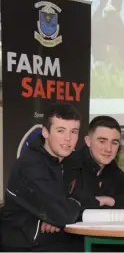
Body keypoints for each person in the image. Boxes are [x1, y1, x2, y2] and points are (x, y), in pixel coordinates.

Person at [1, 102, 84, 252]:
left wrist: (58, 215)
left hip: (56, 239)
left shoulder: (70, 162)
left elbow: (87, 196)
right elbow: (63, 215)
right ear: (45, 132)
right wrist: (66, 209)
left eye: (74, 132)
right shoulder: (30, 165)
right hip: (24, 246)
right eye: (61, 130)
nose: (68, 138)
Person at [62, 115, 124, 252]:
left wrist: (110, 201)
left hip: (103, 240)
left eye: (114, 143)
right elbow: (62, 207)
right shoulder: (68, 165)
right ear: (88, 141)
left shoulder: (113, 171)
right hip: (68, 241)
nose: (108, 149)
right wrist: (95, 203)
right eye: (102, 141)